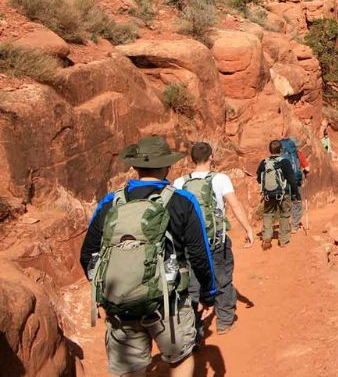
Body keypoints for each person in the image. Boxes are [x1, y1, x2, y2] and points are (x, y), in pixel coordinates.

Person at [81, 136, 217, 377]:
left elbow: (87, 254)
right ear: (167, 166)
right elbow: (199, 254)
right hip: (170, 303)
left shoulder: (110, 202)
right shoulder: (182, 201)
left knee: (130, 370)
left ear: (135, 166)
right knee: (181, 358)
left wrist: (107, 290)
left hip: (120, 304)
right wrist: (208, 292)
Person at [173, 142, 254, 336]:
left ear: (191, 159)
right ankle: (224, 321)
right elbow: (234, 204)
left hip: (189, 243)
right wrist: (248, 228)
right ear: (211, 157)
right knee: (222, 278)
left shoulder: (179, 182)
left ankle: (195, 330)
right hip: (216, 240)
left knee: (192, 285)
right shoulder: (220, 179)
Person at [256, 140, 298, 250]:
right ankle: (283, 241)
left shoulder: (264, 162)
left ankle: (266, 238)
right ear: (280, 150)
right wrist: (295, 193)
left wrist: (267, 187)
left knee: (268, 214)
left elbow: (258, 178)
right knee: (284, 214)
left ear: (270, 150)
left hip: (268, 194)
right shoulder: (284, 162)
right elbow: (291, 179)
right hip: (283, 194)